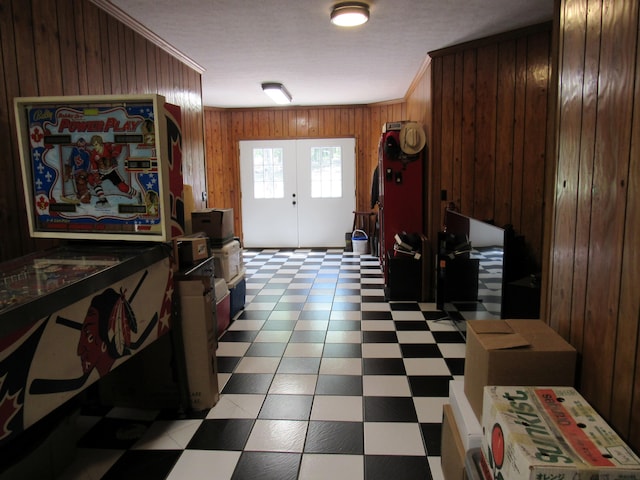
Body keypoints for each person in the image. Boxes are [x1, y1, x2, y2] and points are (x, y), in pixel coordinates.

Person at [89, 135, 141, 207]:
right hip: (101, 172)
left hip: (111, 171)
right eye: (93, 145)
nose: (95, 147)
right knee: (92, 180)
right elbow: (94, 166)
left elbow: (118, 146)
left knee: (123, 188)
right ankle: (103, 200)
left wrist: (114, 155)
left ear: (100, 143)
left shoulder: (107, 146)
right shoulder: (93, 153)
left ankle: (137, 194)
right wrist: (96, 176)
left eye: (96, 145)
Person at [64, 137, 91, 203]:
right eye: (80, 145)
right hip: (76, 172)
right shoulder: (74, 150)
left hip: (82, 172)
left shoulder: (87, 153)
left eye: (82, 146)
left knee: (81, 183)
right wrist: (69, 172)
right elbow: (71, 161)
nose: (81, 147)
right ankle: (79, 195)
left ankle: (86, 197)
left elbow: (88, 165)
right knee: (78, 185)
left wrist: (86, 174)